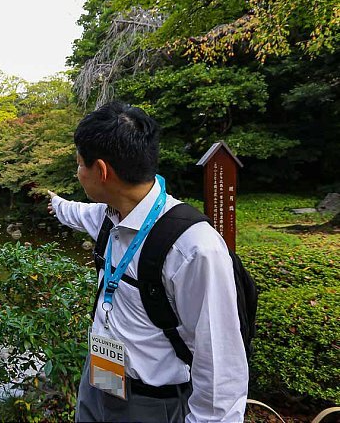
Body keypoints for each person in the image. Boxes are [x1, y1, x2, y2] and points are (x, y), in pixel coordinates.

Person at [47, 102, 248, 422]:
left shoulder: (193, 248)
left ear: (100, 171)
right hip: (100, 377)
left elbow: (221, 367)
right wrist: (52, 202)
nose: (77, 172)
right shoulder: (107, 216)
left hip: (150, 402)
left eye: (79, 164)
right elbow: (73, 212)